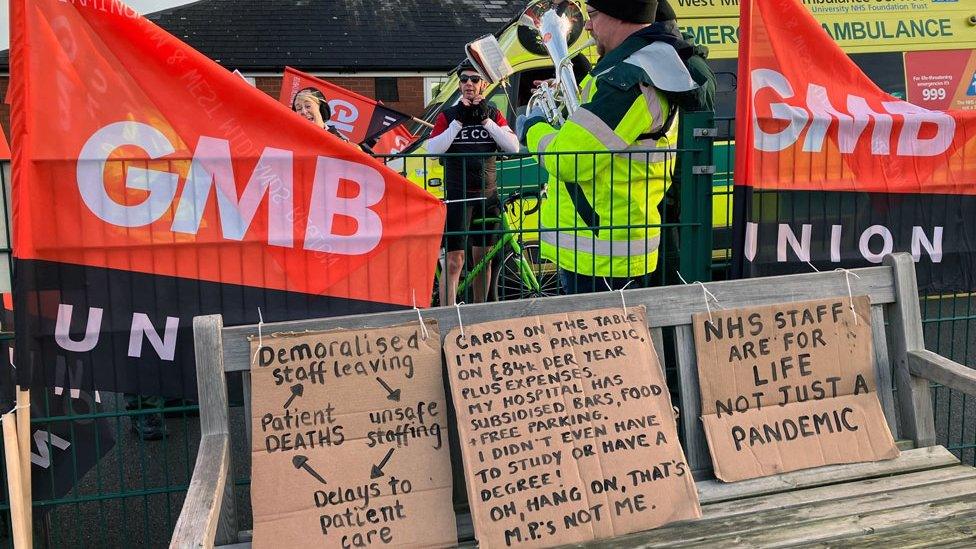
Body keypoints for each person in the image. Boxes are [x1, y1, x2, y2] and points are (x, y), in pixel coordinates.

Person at [519, 0, 700, 294]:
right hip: (601, 251)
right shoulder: (630, 68)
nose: (588, 26)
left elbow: (569, 159)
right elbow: (589, 136)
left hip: (603, 258)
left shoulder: (628, 81)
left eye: (593, 16)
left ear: (620, 16)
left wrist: (533, 125)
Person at [425, 62, 520, 305]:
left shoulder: (493, 113)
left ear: (483, 85)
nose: (469, 83)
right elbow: (433, 149)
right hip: (459, 196)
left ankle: (479, 311)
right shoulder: (448, 115)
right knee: (455, 260)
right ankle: (447, 314)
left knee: (484, 259)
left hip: (488, 196)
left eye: (474, 79)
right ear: (459, 85)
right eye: (464, 79)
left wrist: (487, 121)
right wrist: (458, 122)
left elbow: (513, 146)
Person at [293, 88, 376, 152]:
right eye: (299, 108)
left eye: (308, 106)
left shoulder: (342, 141)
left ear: (321, 109)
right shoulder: (291, 140)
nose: (303, 111)